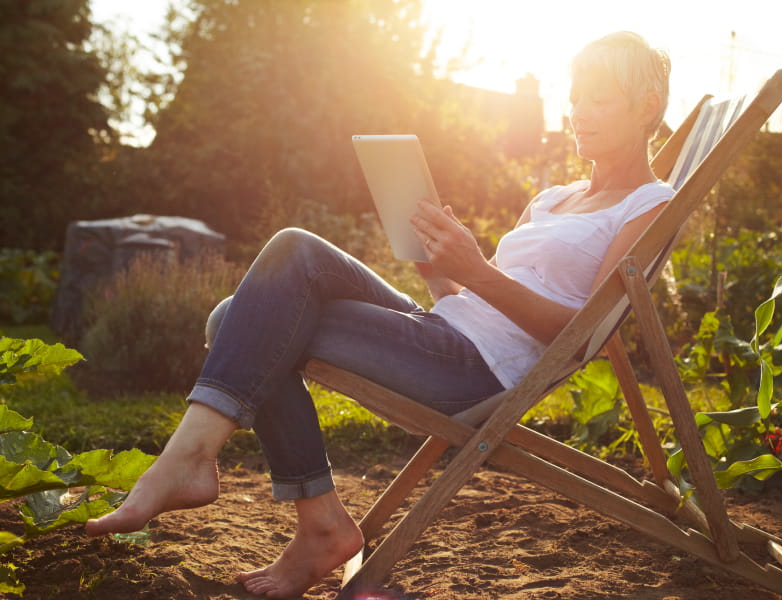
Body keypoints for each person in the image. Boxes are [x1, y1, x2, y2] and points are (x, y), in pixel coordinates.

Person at [86, 31, 674, 598]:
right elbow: (472, 296)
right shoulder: (553, 198)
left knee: (266, 285)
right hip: (449, 328)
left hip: (473, 372)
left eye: (599, 99)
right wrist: (436, 259)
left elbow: (581, 336)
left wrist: (474, 270)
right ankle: (314, 520)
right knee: (243, 309)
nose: (579, 112)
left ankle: (199, 463)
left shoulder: (651, 205)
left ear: (648, 107)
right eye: (575, 97)